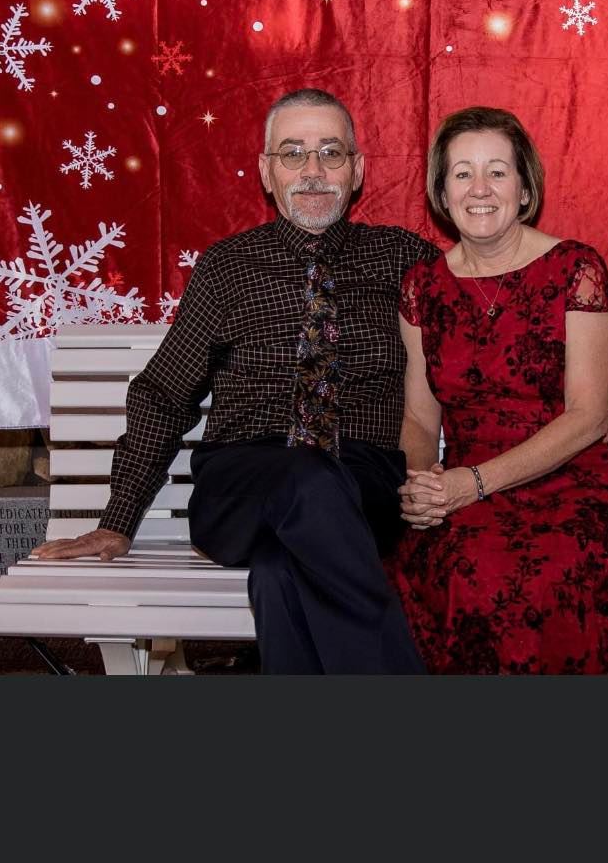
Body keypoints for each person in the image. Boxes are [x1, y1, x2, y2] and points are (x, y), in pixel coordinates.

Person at [32, 88, 440, 674]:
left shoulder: (404, 258)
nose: (313, 171)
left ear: (358, 171)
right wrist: (117, 521)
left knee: (279, 574)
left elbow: (480, 326)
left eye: (331, 153)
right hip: (243, 485)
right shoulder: (227, 267)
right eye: (293, 154)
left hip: (364, 484)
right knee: (303, 476)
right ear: (266, 173)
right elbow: (164, 395)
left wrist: (582, 392)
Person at [386, 106, 608, 674]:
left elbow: (591, 415)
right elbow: (420, 418)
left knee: (529, 580)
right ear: (442, 193)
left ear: (524, 188)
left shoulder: (576, 269)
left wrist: (473, 484)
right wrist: (424, 485)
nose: (480, 188)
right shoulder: (423, 286)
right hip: (466, 486)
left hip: (575, 479)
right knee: (461, 568)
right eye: (462, 173)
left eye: (498, 170)